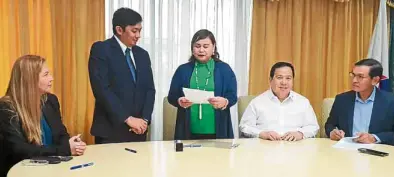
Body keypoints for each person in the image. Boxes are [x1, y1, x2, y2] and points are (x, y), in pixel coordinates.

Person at [0, 55, 86, 176]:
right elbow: (20, 150)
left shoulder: (50, 100)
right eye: (46, 75)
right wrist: (65, 149)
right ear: (30, 79)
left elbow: (61, 134)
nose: (52, 78)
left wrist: (73, 144)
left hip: (54, 169)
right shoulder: (6, 107)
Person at [88, 8, 155, 144]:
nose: (138, 35)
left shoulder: (142, 55)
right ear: (119, 30)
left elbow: (150, 90)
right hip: (111, 130)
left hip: (138, 131)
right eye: (134, 31)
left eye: (139, 31)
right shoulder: (101, 50)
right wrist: (128, 119)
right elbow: (102, 90)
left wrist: (144, 120)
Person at [168, 29, 237, 140]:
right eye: (197, 46)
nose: (201, 50)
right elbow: (172, 96)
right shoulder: (182, 70)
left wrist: (225, 102)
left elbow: (232, 96)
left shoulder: (225, 69)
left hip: (218, 131)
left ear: (213, 48)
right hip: (188, 131)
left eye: (205, 46)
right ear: (192, 48)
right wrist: (179, 101)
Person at [239, 62, 319, 141]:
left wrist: (300, 134)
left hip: (295, 149)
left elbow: (313, 127)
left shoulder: (303, 102)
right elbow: (245, 126)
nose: (284, 82)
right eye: (279, 77)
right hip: (265, 149)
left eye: (288, 78)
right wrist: (262, 133)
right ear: (270, 80)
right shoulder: (257, 102)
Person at [325, 59, 394, 145]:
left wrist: (374, 138)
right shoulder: (342, 99)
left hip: (377, 152)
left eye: (360, 77)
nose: (354, 80)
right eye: (353, 75)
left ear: (375, 80)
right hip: (346, 151)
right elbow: (330, 125)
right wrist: (332, 132)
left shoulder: (391, 101)